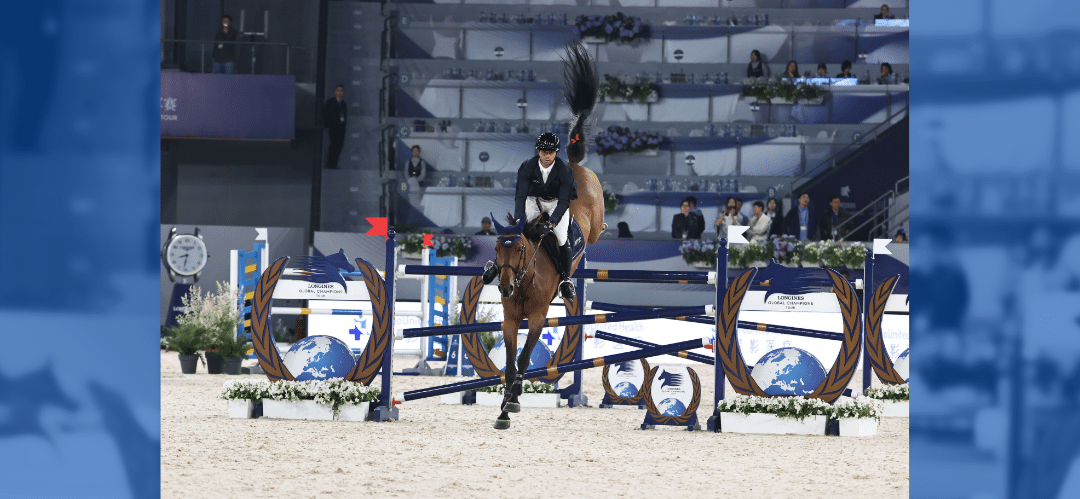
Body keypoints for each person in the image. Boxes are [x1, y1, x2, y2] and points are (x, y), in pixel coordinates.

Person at [482, 133, 578, 300]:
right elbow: (520, 196)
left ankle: (565, 279)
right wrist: (519, 221)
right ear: (538, 151)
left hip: (557, 202)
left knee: (562, 237)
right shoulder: (527, 166)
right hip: (534, 200)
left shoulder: (565, 169)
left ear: (556, 152)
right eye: (543, 151)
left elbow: (564, 202)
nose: (547, 156)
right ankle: (496, 266)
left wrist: (550, 224)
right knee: (518, 233)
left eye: (551, 152)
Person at [323, 84, 347, 169]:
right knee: (334, 145)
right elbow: (326, 114)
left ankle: (334, 164)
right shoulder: (330, 101)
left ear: (343, 92)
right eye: (338, 90)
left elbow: (345, 115)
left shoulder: (343, 103)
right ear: (335, 92)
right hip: (333, 127)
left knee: (339, 145)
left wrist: (344, 125)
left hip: (341, 127)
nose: (339, 92)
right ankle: (330, 164)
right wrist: (326, 126)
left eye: (341, 90)